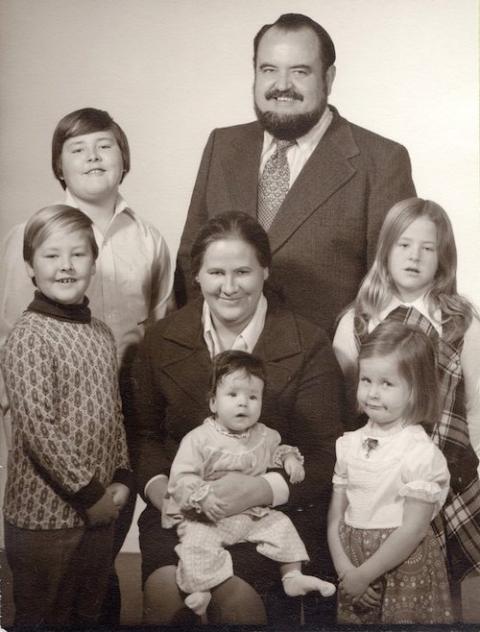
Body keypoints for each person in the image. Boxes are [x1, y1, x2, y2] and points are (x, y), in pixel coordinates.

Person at [0, 107, 173, 622]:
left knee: (97, 570)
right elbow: (10, 338)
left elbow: (162, 333)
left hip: (119, 425)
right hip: (46, 427)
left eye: (105, 146)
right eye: (77, 149)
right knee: (46, 587)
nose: (93, 157)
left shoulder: (150, 240)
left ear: (124, 160)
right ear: (59, 166)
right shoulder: (30, 234)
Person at [130, 211, 343, 625]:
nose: (229, 287)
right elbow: (144, 435)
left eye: (243, 271)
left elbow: (324, 455)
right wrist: (163, 492)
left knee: (236, 602)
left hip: (270, 520)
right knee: (166, 593)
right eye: (216, 272)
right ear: (196, 276)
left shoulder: (309, 342)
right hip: (182, 514)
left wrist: (261, 488)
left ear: (265, 270)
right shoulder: (160, 339)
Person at [174, 12, 416, 336]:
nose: (282, 86)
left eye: (300, 71)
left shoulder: (382, 161)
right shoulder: (223, 145)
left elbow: (396, 289)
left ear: (328, 79)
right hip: (223, 371)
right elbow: (191, 260)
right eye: (269, 70)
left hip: (329, 372)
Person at [332, 198, 480, 612]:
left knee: (437, 593)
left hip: (442, 475)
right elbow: (347, 406)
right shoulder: (357, 322)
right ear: (385, 251)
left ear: (443, 258)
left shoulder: (461, 322)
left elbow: (477, 406)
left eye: (427, 248)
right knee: (370, 589)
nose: (414, 256)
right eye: (403, 244)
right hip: (375, 478)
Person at [1, 205, 132, 625]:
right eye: (51, 255)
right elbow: (38, 428)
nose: (65, 266)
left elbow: (113, 414)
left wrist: (122, 475)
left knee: (86, 614)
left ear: (93, 263)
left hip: (98, 513)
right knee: (43, 618)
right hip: (45, 520)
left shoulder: (101, 334)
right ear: (29, 267)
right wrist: (89, 494)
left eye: (77, 254)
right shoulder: (27, 336)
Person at [163, 350, 336, 616]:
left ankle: (292, 576)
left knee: (282, 526)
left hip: (251, 516)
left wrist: (289, 458)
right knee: (196, 543)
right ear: (213, 403)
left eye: (252, 397)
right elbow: (182, 477)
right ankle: (200, 589)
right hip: (209, 516)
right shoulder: (198, 439)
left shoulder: (264, 435)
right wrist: (202, 497)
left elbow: (278, 449)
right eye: (233, 395)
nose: (243, 403)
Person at [328, 320, 452, 624]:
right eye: (366, 380)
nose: (372, 393)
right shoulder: (348, 445)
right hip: (353, 565)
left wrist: (365, 574)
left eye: (387, 384)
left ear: (415, 390)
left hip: (402, 567)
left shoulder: (419, 453)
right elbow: (335, 517)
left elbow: (413, 529)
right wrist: (347, 573)